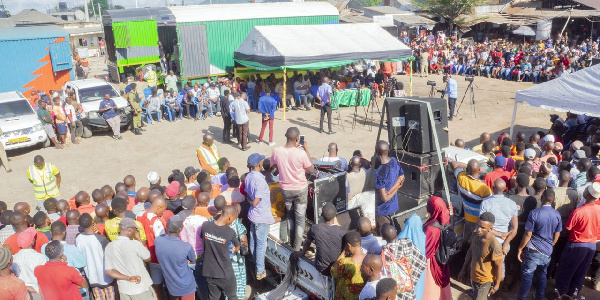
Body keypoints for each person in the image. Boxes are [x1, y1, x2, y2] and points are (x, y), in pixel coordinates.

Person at [270, 127, 314, 250]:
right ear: (296, 139)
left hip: (285, 190)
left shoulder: (276, 151)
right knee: (300, 219)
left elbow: (273, 165)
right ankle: (296, 247)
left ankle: (291, 241)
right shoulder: (301, 153)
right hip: (300, 190)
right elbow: (311, 169)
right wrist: (306, 149)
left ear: (286, 136)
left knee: (290, 216)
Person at [553, 183, 600, 298]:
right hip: (592, 246)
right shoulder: (599, 210)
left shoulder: (578, 212)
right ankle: (573, 294)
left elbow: (568, 229)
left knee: (566, 271)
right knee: (581, 272)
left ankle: (561, 294)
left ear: (588, 194)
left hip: (576, 246)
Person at [516, 189, 561, 300]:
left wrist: (520, 248)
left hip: (533, 250)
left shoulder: (534, 213)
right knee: (542, 275)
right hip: (547, 251)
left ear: (541, 199)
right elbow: (557, 235)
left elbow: (527, 234)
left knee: (527, 276)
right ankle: (539, 297)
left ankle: (521, 298)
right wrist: (551, 245)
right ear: (553, 200)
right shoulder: (557, 214)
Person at [105, 218, 156, 299]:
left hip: (124, 290)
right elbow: (148, 258)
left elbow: (109, 272)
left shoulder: (109, 246)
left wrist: (128, 278)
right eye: (135, 230)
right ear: (129, 230)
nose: (135, 233)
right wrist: (139, 238)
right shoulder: (135, 244)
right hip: (140, 288)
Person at [479, 178, 518, 280]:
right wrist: (505, 243)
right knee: (500, 266)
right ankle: (498, 292)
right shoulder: (512, 204)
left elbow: (483, 226)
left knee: (485, 265)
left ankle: (485, 289)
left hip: (487, 240)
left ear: (492, 188)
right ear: (505, 189)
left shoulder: (485, 203)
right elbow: (515, 228)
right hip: (503, 242)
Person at [458, 212, 503, 300]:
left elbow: (499, 267)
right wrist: (463, 269)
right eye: (478, 225)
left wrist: (496, 286)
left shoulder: (494, 245)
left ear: (490, 228)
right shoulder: (475, 234)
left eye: (482, 228)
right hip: (473, 278)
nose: (479, 229)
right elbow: (470, 252)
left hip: (484, 282)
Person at [292, 203, 346, 275]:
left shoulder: (315, 228)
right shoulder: (342, 231)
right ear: (335, 216)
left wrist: (302, 252)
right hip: (336, 269)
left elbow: (307, 242)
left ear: (322, 216)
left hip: (321, 269)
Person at [200, 206, 241, 300]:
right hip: (225, 273)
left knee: (214, 297)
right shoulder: (230, 232)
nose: (232, 222)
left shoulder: (206, 226)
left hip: (209, 272)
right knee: (232, 297)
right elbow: (237, 246)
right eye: (233, 220)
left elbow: (202, 237)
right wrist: (235, 249)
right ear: (229, 217)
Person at [245, 153, 274, 280]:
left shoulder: (248, 177)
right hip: (261, 216)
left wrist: (250, 202)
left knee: (253, 242)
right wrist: (252, 202)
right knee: (261, 244)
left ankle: (256, 263)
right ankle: (260, 270)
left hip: (253, 215)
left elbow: (248, 196)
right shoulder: (260, 180)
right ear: (259, 164)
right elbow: (255, 201)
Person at [155, 216, 197, 300]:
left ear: (167, 227)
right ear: (180, 229)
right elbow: (193, 260)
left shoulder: (157, 241)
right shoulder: (186, 246)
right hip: (186, 286)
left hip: (171, 286)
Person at [451, 159, 492, 244]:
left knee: (467, 241)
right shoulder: (484, 188)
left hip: (468, 218)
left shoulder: (462, 179)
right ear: (480, 170)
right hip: (480, 221)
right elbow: (490, 205)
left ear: (467, 170)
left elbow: (454, 163)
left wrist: (468, 166)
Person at [75, 213, 115, 300]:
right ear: (93, 222)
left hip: (92, 277)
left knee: (98, 297)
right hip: (106, 276)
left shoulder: (78, 238)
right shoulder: (101, 239)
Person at [137, 197, 167, 300]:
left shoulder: (140, 215)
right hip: (158, 257)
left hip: (147, 255)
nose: (163, 212)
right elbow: (161, 241)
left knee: (156, 282)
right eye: (163, 209)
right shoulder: (156, 222)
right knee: (167, 281)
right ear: (158, 207)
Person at [423, 196, 453, 300]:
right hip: (442, 258)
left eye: (428, 206)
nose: (427, 208)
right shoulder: (445, 219)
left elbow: (427, 250)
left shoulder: (431, 228)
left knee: (431, 288)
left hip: (432, 261)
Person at [393, 214, 427, 300]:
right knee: (418, 290)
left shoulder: (401, 237)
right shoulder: (423, 237)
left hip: (404, 275)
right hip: (419, 273)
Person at [374, 140, 405, 234]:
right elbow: (402, 177)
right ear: (388, 150)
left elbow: (385, 198)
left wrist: (392, 190)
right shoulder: (394, 161)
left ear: (376, 152)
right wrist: (397, 187)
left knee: (385, 237)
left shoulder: (379, 172)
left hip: (383, 212)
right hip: (394, 207)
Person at [11, 227, 46, 299]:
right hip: (38, 292)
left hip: (22, 292)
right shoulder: (40, 257)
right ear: (32, 242)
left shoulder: (13, 258)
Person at [331, 231, 366, 300]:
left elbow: (333, 272)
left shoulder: (345, 263)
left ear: (348, 245)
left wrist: (343, 253)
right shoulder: (368, 259)